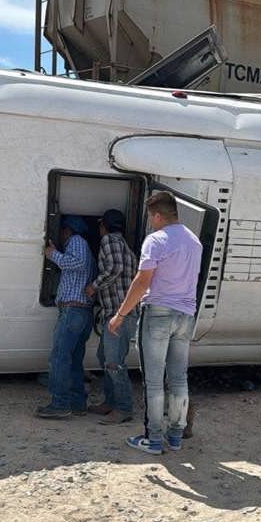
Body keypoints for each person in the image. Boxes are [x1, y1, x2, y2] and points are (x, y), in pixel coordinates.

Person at [108, 191, 202, 455]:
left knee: (154, 380)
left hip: (159, 313)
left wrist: (121, 314)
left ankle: (153, 438)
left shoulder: (156, 240)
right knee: (178, 378)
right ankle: (175, 437)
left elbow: (142, 281)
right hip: (186, 315)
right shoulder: (194, 241)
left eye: (151, 216)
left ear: (158, 215)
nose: (150, 222)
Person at [37, 215, 95, 418]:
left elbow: (77, 263)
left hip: (72, 311)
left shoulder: (76, 241)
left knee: (59, 358)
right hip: (81, 312)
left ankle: (60, 404)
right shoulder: (85, 246)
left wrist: (53, 254)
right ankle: (77, 404)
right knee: (74, 360)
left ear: (67, 230)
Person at [85, 209, 138, 425]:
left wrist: (93, 287)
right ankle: (110, 401)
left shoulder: (108, 240)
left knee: (114, 362)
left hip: (119, 314)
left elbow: (114, 268)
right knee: (104, 358)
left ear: (103, 225)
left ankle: (123, 408)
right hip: (120, 313)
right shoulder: (126, 247)